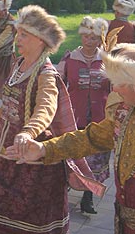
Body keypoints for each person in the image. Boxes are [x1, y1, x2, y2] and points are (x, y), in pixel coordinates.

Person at [0, 5, 102, 234]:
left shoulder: (46, 73)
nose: (18, 38)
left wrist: (28, 132)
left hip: (29, 156)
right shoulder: (18, 64)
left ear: (41, 40)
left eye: (24, 34)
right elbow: (8, 101)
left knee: (25, 220)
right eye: (18, 33)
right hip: (0, 150)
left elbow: (46, 108)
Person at [8, 42, 135, 234]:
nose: (114, 89)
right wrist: (45, 149)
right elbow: (91, 137)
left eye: (119, 84)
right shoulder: (125, 110)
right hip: (126, 222)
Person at [56, 16, 111, 214]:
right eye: (86, 37)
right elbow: (57, 85)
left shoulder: (107, 60)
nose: (89, 41)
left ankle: (88, 198)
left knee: (94, 160)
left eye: (94, 37)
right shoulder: (69, 58)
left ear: (100, 39)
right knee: (71, 157)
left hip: (100, 120)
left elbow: (117, 89)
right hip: (73, 118)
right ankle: (63, 192)